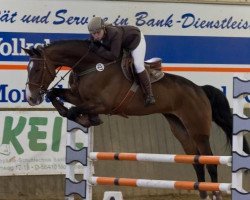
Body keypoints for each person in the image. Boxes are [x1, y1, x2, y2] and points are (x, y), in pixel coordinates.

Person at [87, 17, 155, 106]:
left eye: (98, 33)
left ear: (104, 29)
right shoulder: (95, 35)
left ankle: (150, 95)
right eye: (93, 34)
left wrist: (98, 50)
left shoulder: (114, 33)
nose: (96, 36)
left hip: (135, 40)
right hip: (123, 43)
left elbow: (113, 56)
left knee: (138, 66)